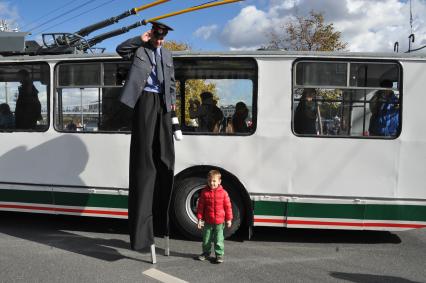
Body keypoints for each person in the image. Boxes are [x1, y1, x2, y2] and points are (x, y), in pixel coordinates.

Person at [116, 21, 176, 252]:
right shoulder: (139, 49)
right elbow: (120, 50)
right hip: (144, 100)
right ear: (151, 35)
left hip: (163, 103)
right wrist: (137, 39)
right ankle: (142, 233)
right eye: (156, 37)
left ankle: (162, 222)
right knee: (144, 157)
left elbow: (170, 83)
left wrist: (172, 110)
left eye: (162, 38)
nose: (159, 41)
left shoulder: (168, 54)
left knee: (164, 155)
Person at [196, 170, 233, 264]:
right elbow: (200, 207)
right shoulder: (204, 193)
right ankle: (206, 253)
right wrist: (199, 219)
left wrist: (229, 219)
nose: (211, 183)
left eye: (214, 181)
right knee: (206, 239)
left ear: (219, 181)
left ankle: (219, 255)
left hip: (219, 222)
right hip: (208, 222)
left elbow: (228, 207)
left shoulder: (224, 193)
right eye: (209, 181)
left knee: (218, 239)